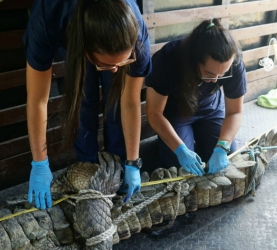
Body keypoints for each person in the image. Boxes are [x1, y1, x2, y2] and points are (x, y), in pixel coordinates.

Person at [23, 0, 151, 209]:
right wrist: (39, 163)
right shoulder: (48, 17)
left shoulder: (138, 35)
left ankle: (116, 170)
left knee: (116, 97)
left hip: (113, 30)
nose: (116, 70)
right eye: (107, 64)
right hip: (71, 24)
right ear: (84, 50)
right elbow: (38, 100)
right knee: (84, 96)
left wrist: (133, 162)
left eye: (123, 62)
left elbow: (130, 102)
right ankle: (87, 168)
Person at [145, 19, 246, 175]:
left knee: (229, 156)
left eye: (222, 74)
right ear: (195, 61)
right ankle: (174, 144)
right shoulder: (169, 58)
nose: (215, 80)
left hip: (210, 107)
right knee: (177, 166)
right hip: (177, 112)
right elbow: (154, 113)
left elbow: (235, 112)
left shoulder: (235, 62)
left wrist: (222, 146)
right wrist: (180, 150)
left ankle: (205, 142)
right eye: (209, 73)